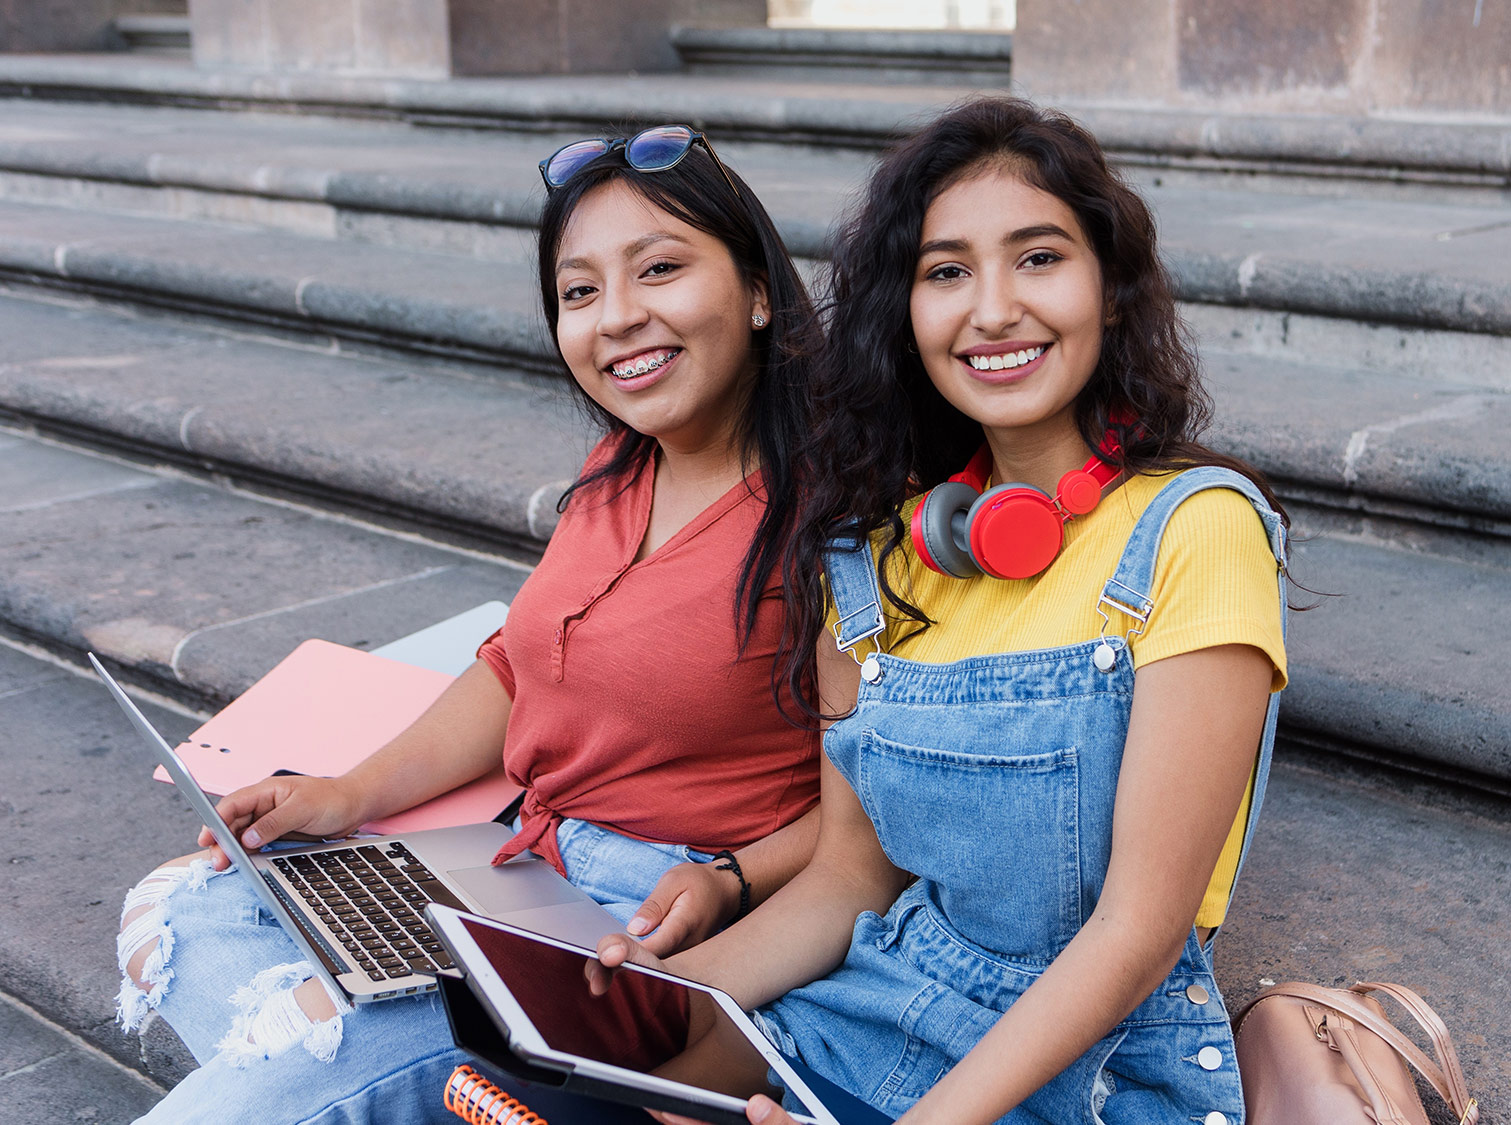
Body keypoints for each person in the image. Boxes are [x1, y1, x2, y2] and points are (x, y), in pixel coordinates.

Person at [114, 124, 826, 1124]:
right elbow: (516, 665)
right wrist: (344, 793)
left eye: (658, 270)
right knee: (180, 911)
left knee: (279, 1070)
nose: (615, 318)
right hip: (511, 870)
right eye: (578, 293)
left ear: (757, 291)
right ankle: (373, 1066)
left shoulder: (835, 516)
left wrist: (729, 875)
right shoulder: (621, 466)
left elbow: (886, 815)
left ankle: (359, 1063)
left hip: (646, 924)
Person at [598, 97, 1290, 1125]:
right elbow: (845, 882)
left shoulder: (1196, 533)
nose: (992, 309)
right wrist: (665, 1001)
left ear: (1109, 288)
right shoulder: (873, 557)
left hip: (1086, 1067)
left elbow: (1136, 932)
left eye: (1038, 258)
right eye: (946, 272)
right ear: (904, 314)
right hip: (877, 1007)